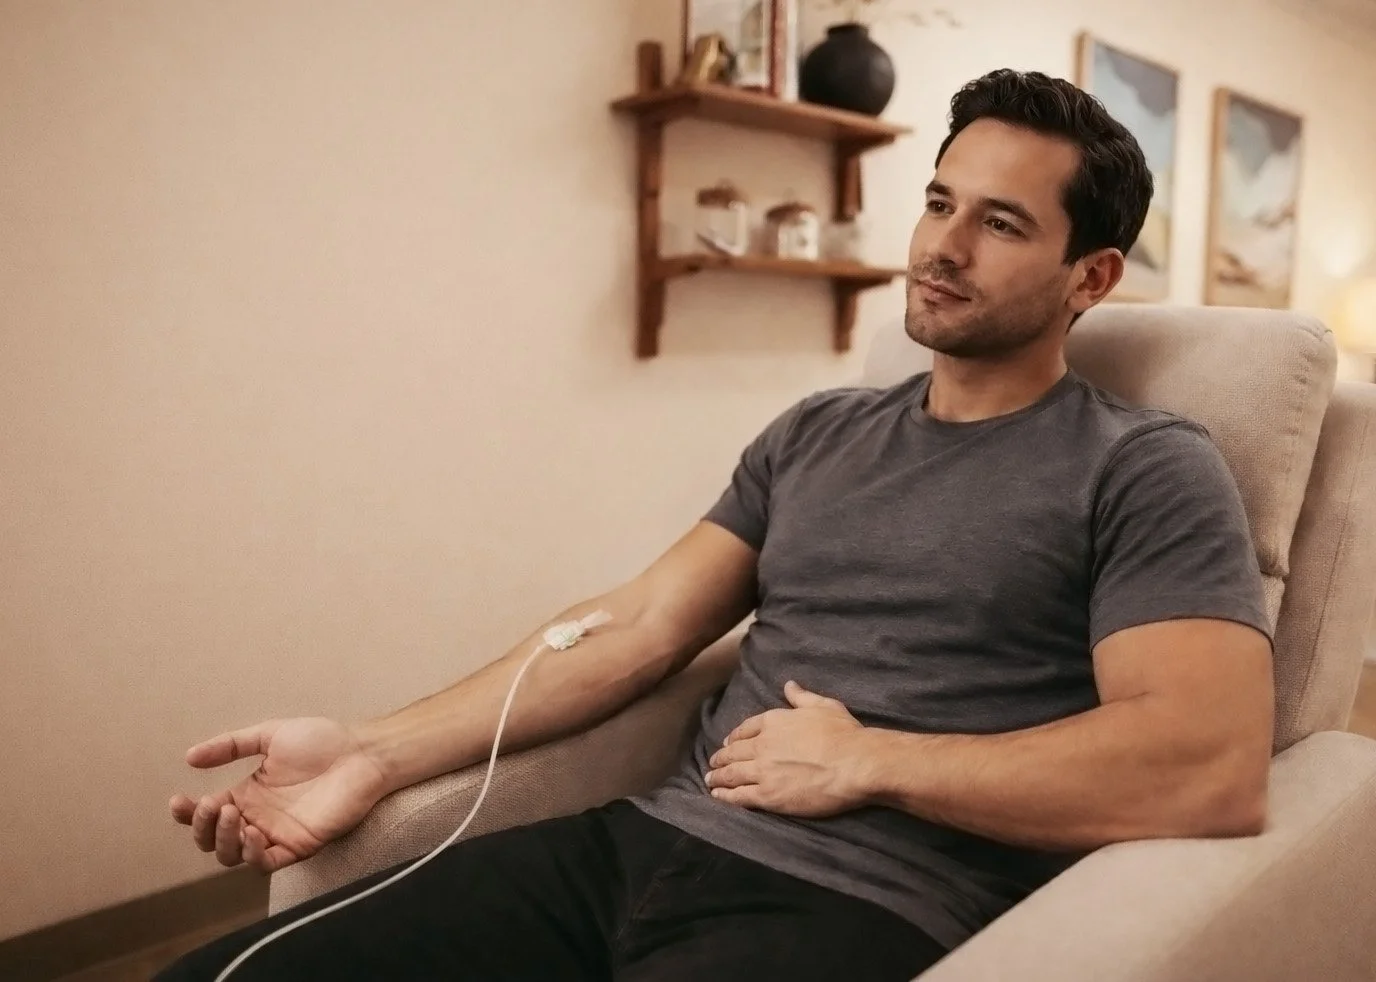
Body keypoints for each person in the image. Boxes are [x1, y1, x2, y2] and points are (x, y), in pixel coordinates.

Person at [159, 68, 1274, 982]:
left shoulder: (1140, 468)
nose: (941, 247)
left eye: (997, 223)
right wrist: (369, 748)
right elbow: (640, 622)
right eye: (938, 202)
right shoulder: (817, 432)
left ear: (1090, 275)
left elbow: (1206, 765)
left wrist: (873, 763)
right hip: (641, 843)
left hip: (861, 906)